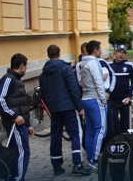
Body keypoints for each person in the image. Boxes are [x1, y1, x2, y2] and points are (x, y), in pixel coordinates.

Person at [38, 45, 90, 176]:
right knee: (75, 134)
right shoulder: (66, 69)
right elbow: (73, 89)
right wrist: (79, 107)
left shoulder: (43, 74)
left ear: (48, 55)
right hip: (68, 106)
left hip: (54, 109)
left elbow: (43, 94)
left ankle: (56, 165)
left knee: (55, 136)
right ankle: (77, 164)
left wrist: (50, 106)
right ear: (59, 54)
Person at [0, 53, 34, 181]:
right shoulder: (8, 79)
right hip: (14, 124)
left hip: (20, 123)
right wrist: (14, 116)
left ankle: (14, 176)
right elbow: (0, 100)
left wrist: (28, 124)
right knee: (21, 153)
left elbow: (21, 103)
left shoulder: (16, 80)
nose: (26, 70)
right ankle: (17, 178)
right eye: (26, 66)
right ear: (21, 65)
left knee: (19, 152)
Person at [77, 40, 107, 170]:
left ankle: (90, 157)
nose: (101, 52)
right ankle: (94, 160)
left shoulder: (81, 64)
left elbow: (79, 82)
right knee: (100, 129)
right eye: (100, 49)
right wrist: (103, 99)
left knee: (89, 130)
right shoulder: (94, 63)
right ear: (95, 50)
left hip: (85, 98)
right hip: (95, 99)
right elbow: (99, 82)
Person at [108, 44, 133, 135]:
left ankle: (125, 143)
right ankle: (115, 142)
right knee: (114, 123)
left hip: (125, 99)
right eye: (119, 52)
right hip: (112, 99)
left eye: (123, 53)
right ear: (115, 53)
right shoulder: (109, 65)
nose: (121, 54)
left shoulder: (129, 65)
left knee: (125, 124)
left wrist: (130, 96)